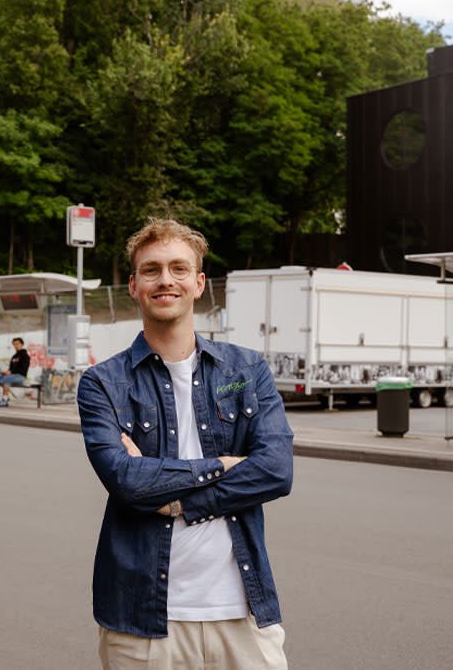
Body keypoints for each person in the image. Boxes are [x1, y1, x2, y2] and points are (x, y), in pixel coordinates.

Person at [77, 218, 293, 669]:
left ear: (198, 283)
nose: (165, 280)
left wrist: (177, 503)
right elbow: (126, 480)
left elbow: (276, 470)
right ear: (134, 286)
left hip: (242, 614)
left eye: (179, 268)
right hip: (141, 621)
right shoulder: (103, 382)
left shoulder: (246, 371)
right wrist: (225, 464)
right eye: (152, 270)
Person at [0, 337, 30, 407]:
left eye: (17, 344)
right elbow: (11, 368)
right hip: (11, 375)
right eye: (14, 344)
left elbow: (24, 369)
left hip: (20, 377)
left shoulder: (25, 356)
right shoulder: (14, 356)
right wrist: (7, 372)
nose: (15, 346)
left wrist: (11, 372)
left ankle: (4, 400)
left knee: (5, 380)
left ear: (22, 344)